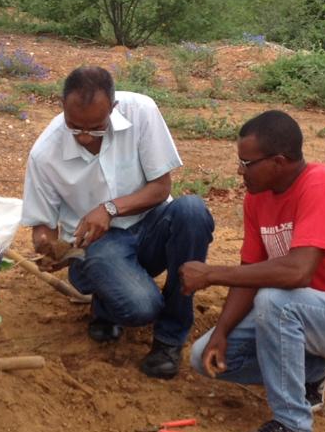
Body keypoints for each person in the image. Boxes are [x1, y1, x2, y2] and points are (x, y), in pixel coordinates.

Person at [179, 110, 325, 432]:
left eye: (246, 163)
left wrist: (211, 274)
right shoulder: (257, 198)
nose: (239, 171)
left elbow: (297, 272)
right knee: (204, 356)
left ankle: (293, 424)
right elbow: (250, 271)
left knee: (274, 299)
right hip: (298, 315)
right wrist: (221, 331)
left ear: (278, 161)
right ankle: (313, 371)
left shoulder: (321, 186)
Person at [21, 66, 215, 378]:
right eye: (74, 127)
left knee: (192, 211)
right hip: (99, 246)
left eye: (96, 128)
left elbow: (161, 187)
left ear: (113, 107)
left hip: (152, 226)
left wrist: (109, 209)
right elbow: (43, 226)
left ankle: (169, 338)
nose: (85, 137)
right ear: (62, 106)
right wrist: (48, 247)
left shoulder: (142, 112)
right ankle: (107, 302)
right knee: (141, 307)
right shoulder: (44, 154)